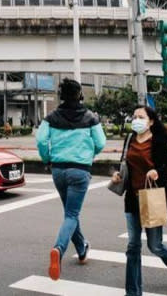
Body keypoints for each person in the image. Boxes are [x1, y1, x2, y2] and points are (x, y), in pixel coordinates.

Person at [36, 78, 106, 281]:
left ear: (61, 96)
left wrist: (47, 158)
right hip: (80, 170)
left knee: (70, 213)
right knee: (72, 214)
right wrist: (89, 153)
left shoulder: (51, 117)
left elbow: (41, 140)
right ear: (80, 95)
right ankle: (58, 248)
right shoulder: (90, 117)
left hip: (58, 170)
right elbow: (101, 142)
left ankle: (82, 249)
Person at [111, 106, 167, 293]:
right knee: (133, 246)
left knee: (155, 246)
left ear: (151, 122)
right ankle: (133, 292)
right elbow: (123, 165)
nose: (136, 120)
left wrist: (157, 172)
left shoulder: (158, 142)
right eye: (134, 116)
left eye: (141, 117)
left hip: (152, 198)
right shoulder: (129, 139)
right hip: (132, 199)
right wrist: (117, 175)